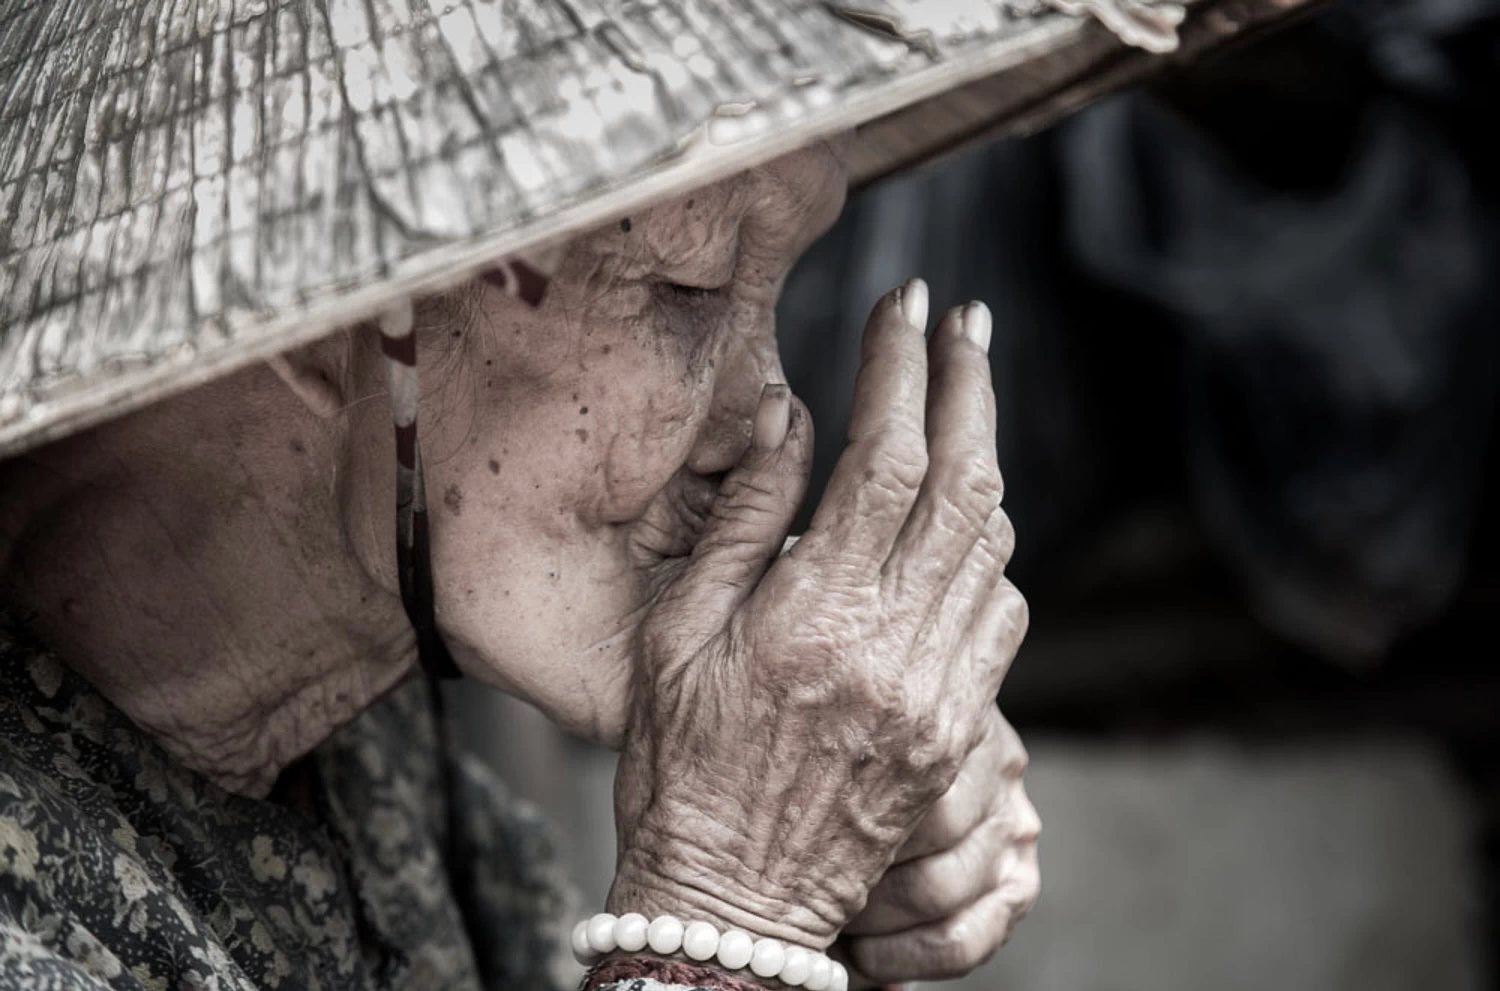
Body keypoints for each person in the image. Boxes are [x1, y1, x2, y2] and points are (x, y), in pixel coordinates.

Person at [0, 0, 1296, 987]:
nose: (766, 415)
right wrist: (731, 904)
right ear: (305, 306)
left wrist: (819, 844)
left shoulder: (363, 753)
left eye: (772, 289)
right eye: (682, 291)